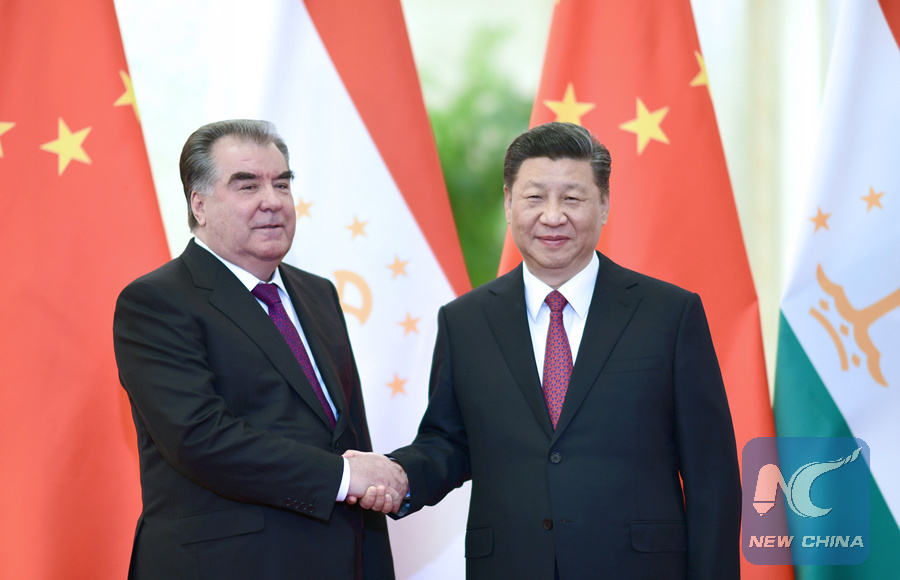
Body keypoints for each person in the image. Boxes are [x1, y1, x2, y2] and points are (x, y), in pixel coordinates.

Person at [386, 122, 741, 579]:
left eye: (572, 198)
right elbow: (448, 443)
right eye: (535, 197)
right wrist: (395, 475)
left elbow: (712, 475)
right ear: (509, 203)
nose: (553, 216)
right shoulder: (465, 322)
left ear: (604, 204)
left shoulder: (669, 314)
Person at [113, 119, 406, 580]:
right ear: (199, 205)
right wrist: (345, 478)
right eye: (247, 186)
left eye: (282, 184)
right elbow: (200, 439)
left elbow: (347, 437)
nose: (273, 201)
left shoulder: (318, 294)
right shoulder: (156, 302)